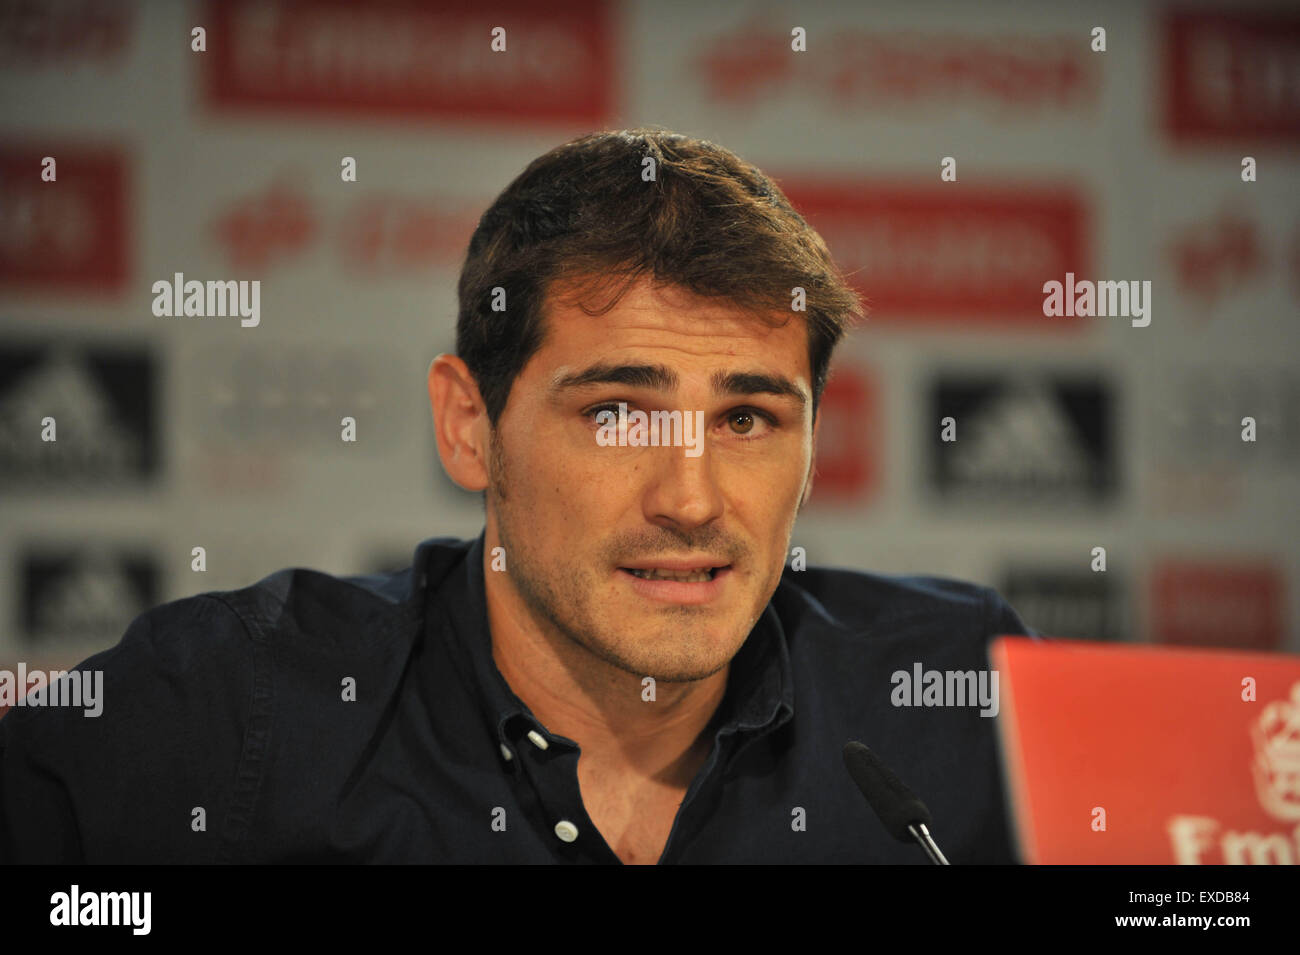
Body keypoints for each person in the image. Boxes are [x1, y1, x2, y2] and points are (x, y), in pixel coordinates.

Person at [0, 128, 1035, 864]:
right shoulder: (232, 709)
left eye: (747, 419)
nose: (691, 498)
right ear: (467, 426)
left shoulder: (959, 691)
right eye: (618, 412)